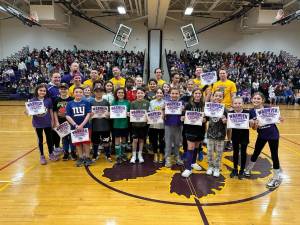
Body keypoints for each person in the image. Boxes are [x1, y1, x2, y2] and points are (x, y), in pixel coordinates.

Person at [244, 92, 283, 189]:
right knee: (256, 152)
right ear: (252, 99)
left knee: (274, 154)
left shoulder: (268, 108)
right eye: (254, 98)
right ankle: (248, 169)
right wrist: (254, 124)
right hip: (262, 135)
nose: (256, 100)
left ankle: (276, 176)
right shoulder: (251, 112)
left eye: (258, 99)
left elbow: (277, 119)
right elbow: (253, 128)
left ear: (262, 100)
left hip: (273, 135)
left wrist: (280, 119)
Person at [26, 84, 58, 165]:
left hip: (47, 123)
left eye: (44, 91)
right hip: (37, 124)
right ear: (37, 91)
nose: (42, 92)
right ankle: (42, 156)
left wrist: (53, 121)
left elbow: (51, 111)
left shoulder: (48, 100)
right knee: (40, 140)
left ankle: (51, 154)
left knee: (49, 139)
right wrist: (27, 110)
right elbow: (27, 112)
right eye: (40, 90)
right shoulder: (32, 100)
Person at [181, 89, 206, 177]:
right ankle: (188, 168)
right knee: (190, 147)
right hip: (190, 129)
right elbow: (183, 115)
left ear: (201, 95)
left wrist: (205, 119)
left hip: (200, 129)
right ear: (193, 94)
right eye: (196, 93)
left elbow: (207, 116)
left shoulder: (204, 105)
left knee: (196, 147)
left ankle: (193, 162)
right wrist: (182, 118)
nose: (198, 95)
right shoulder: (188, 105)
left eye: (199, 93)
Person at [211, 68, 237, 150]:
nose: (222, 74)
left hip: (228, 107)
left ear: (227, 74)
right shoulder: (215, 84)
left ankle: (229, 141)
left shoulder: (231, 83)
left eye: (223, 73)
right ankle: (217, 140)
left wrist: (233, 106)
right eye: (220, 73)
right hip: (217, 107)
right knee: (216, 125)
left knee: (228, 126)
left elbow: (233, 95)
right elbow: (212, 95)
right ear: (218, 75)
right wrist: (212, 105)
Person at [66, 87, 92, 167]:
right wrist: (75, 125)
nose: (78, 94)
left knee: (86, 142)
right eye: (76, 92)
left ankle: (87, 157)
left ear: (83, 94)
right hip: (75, 127)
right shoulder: (69, 103)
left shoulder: (86, 102)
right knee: (78, 143)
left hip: (86, 126)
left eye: (80, 92)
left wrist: (82, 125)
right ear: (73, 93)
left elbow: (88, 114)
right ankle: (80, 157)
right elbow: (67, 116)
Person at [206, 91, 227, 177]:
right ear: (213, 97)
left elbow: (228, 123)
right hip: (210, 133)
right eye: (216, 96)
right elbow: (205, 119)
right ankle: (210, 166)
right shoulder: (209, 107)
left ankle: (217, 167)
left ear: (222, 98)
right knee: (210, 152)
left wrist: (225, 120)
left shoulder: (225, 109)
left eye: (220, 96)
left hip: (220, 135)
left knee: (219, 153)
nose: (218, 97)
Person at [53, 83, 76, 161]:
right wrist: (56, 122)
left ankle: (73, 152)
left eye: (65, 89)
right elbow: (55, 112)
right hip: (61, 121)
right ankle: (66, 152)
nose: (63, 90)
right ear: (59, 90)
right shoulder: (56, 100)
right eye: (61, 89)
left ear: (68, 90)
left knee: (72, 137)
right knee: (64, 138)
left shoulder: (72, 99)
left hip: (71, 121)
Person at [229, 97, 250, 179]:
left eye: (239, 103)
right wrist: (224, 120)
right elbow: (227, 123)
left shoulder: (247, 113)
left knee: (244, 153)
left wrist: (252, 122)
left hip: (244, 136)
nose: (237, 105)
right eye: (235, 103)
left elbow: (252, 124)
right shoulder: (230, 113)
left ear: (243, 104)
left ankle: (242, 169)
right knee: (235, 152)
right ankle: (235, 169)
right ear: (232, 104)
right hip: (234, 136)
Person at [90, 83, 112, 162]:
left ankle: (107, 154)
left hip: (105, 125)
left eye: (100, 91)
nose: (99, 93)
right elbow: (89, 116)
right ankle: (95, 154)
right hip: (95, 126)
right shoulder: (91, 102)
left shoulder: (106, 102)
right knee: (95, 142)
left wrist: (108, 115)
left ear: (103, 92)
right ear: (94, 92)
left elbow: (110, 114)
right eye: (97, 91)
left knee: (106, 141)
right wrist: (90, 115)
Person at [164, 88, 184, 168]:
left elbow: (185, 115)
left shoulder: (181, 103)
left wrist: (183, 110)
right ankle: (167, 158)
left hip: (178, 125)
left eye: (176, 93)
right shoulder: (166, 103)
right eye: (173, 93)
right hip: (168, 124)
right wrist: (163, 111)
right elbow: (162, 114)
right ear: (170, 94)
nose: (174, 95)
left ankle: (177, 156)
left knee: (177, 142)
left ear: (179, 94)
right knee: (168, 142)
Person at [129, 88, 150, 163]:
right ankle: (134, 155)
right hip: (135, 125)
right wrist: (129, 114)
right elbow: (131, 114)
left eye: (141, 93)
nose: (140, 94)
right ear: (136, 94)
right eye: (138, 93)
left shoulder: (147, 103)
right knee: (135, 140)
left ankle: (140, 155)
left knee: (141, 140)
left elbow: (149, 113)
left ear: (144, 94)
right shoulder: (133, 103)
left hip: (144, 125)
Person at [111, 87, 131, 164]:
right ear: (116, 94)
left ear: (124, 94)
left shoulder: (128, 102)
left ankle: (123, 154)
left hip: (125, 124)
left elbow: (130, 113)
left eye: (122, 92)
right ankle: (118, 155)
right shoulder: (114, 102)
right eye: (119, 92)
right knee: (117, 139)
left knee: (123, 139)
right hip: (116, 124)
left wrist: (128, 114)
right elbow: (111, 113)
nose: (120, 94)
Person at [47, 72, 62, 155]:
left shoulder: (60, 87)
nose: (57, 79)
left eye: (59, 77)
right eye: (55, 77)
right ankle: (52, 150)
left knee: (58, 131)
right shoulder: (48, 88)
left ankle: (57, 147)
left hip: (59, 114)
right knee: (52, 132)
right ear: (51, 78)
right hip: (51, 114)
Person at [148, 88, 165, 163]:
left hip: (162, 124)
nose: (159, 94)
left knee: (162, 140)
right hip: (153, 124)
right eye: (158, 93)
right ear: (155, 94)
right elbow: (149, 112)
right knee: (154, 140)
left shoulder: (165, 102)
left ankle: (161, 153)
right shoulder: (151, 102)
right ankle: (155, 153)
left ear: (163, 94)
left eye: (161, 93)